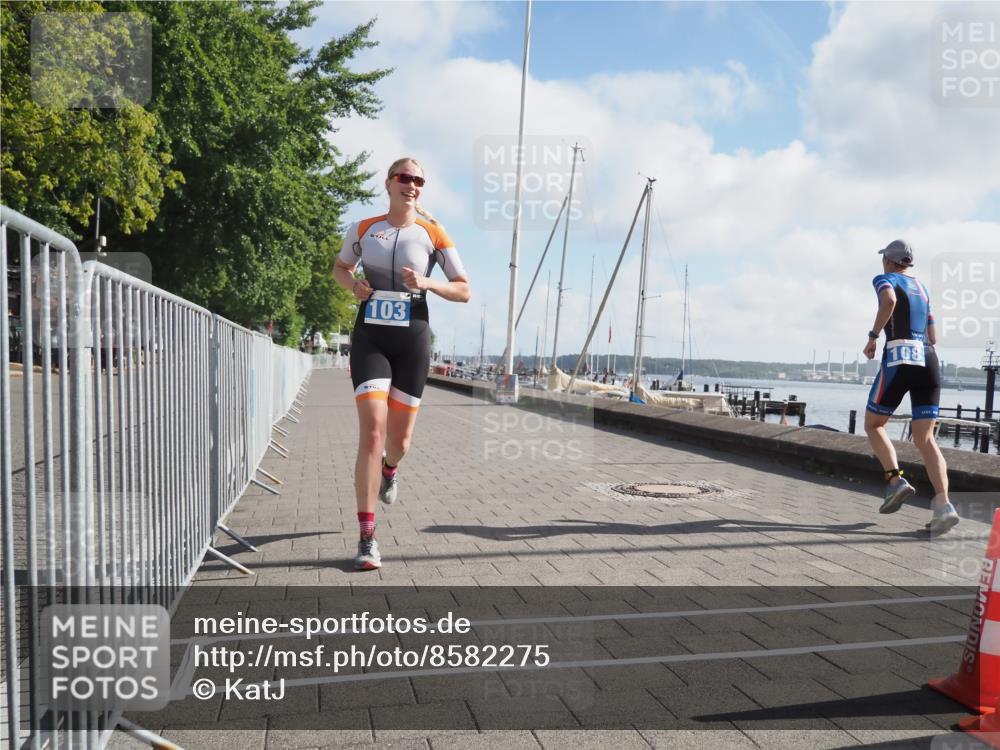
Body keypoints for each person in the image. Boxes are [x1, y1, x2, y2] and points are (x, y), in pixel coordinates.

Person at [333, 158, 471, 570]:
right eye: (405, 178)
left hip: (412, 338)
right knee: (372, 435)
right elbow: (340, 269)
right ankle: (366, 538)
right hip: (371, 337)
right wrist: (352, 285)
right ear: (389, 183)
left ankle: (391, 470)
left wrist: (427, 282)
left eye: (419, 181)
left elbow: (464, 290)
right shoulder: (363, 229)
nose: (412, 185)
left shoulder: (433, 233)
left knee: (399, 442)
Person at [863, 239, 959, 535]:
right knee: (925, 438)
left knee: (874, 424)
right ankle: (943, 505)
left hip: (900, 356)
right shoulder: (922, 289)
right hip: (929, 359)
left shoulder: (884, 278)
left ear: (889, 261)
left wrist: (873, 335)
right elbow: (933, 334)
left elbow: (889, 301)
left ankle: (895, 481)